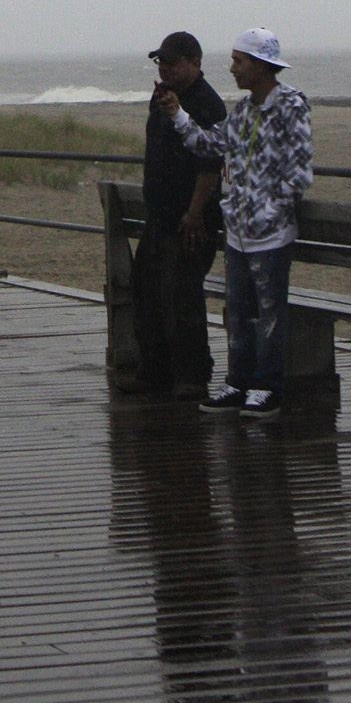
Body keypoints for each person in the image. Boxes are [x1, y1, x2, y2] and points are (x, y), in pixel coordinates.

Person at [157, 27, 314, 415]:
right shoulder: (243, 111)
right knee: (239, 312)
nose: (232, 69)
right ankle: (238, 382)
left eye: (238, 62)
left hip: (270, 235)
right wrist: (178, 115)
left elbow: (298, 171)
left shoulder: (291, 106)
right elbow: (208, 144)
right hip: (239, 234)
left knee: (269, 312)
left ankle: (267, 386)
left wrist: (269, 212)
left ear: (260, 66)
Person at [130, 30, 227, 399]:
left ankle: (192, 375)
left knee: (183, 297)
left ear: (195, 62)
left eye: (172, 62)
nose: (165, 68)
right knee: (148, 294)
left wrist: (196, 211)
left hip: (189, 219)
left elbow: (210, 164)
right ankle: (154, 371)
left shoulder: (206, 103)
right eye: (161, 62)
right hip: (158, 215)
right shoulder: (162, 100)